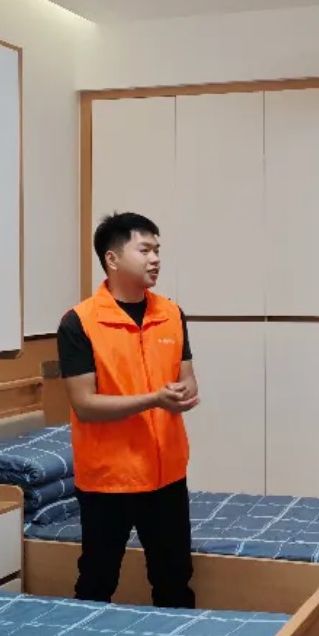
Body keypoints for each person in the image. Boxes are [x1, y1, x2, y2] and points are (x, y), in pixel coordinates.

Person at [58, 211, 199, 608]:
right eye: (145, 250)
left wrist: (184, 392)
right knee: (97, 582)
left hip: (167, 473)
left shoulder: (171, 313)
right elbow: (85, 405)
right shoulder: (79, 323)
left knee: (175, 582)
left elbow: (188, 378)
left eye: (157, 250)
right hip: (109, 479)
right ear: (113, 258)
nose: (155, 259)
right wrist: (154, 399)